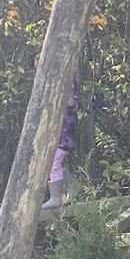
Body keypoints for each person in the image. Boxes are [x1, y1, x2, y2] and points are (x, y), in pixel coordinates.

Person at [41, 76, 80, 211]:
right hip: (58, 131)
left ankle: (56, 197)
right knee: (56, 162)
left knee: (53, 162)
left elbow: (72, 103)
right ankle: (73, 187)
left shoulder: (65, 79)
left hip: (63, 132)